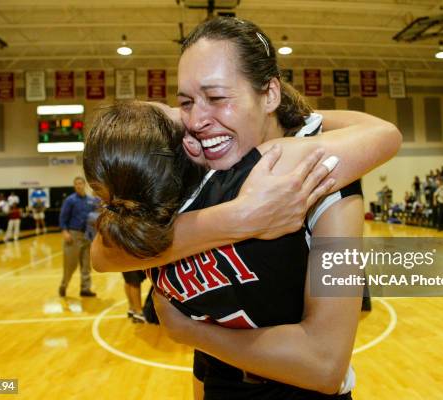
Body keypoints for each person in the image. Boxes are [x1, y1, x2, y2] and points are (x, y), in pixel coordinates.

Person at [88, 18, 400, 399]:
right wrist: (238, 219)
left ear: (270, 94)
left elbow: (324, 365)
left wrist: (192, 333)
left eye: (217, 98)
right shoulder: (192, 163)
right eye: (185, 102)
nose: (197, 120)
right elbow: (103, 254)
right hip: (216, 380)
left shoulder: (320, 183)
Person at [58, 177, 98, 298]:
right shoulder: (70, 200)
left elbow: (98, 211)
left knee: (86, 265)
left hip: (87, 235)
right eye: (76, 184)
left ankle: (85, 289)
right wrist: (65, 231)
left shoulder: (91, 200)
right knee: (70, 265)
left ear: (84, 184)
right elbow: (63, 217)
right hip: (73, 235)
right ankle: (64, 285)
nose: (78, 186)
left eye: (80, 183)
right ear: (74, 186)